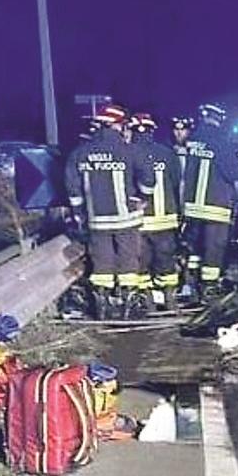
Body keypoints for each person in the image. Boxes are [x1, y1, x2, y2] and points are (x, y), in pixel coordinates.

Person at [64, 104, 154, 319]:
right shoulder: (129, 150)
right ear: (117, 125)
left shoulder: (80, 153)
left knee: (101, 260)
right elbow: (149, 178)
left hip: (97, 220)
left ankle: (102, 304)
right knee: (129, 258)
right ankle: (128, 303)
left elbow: (72, 186)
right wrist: (142, 198)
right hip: (127, 219)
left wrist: (79, 211)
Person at [181, 102, 238, 301]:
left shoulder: (193, 140)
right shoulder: (220, 141)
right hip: (214, 205)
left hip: (192, 206)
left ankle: (190, 283)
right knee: (214, 248)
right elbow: (234, 172)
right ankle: (209, 286)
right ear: (220, 119)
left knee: (195, 247)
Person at [128, 113, 182, 310]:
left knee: (140, 264)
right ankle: (170, 301)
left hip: (139, 222)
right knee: (166, 262)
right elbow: (176, 181)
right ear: (152, 131)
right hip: (166, 220)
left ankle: (147, 302)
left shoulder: (127, 153)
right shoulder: (167, 153)